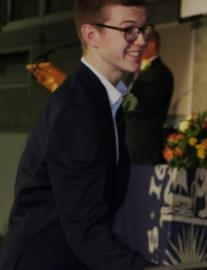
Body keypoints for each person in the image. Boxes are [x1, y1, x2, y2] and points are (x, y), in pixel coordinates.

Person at [0, 0, 154, 269]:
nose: (140, 40)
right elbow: (86, 232)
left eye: (143, 29)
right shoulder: (77, 110)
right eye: (129, 29)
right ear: (91, 35)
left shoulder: (102, 100)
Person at [124, 28, 174, 165]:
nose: (135, 47)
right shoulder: (133, 72)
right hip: (126, 146)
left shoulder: (160, 73)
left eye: (139, 42)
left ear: (151, 45)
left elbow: (143, 107)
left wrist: (119, 100)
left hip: (143, 150)